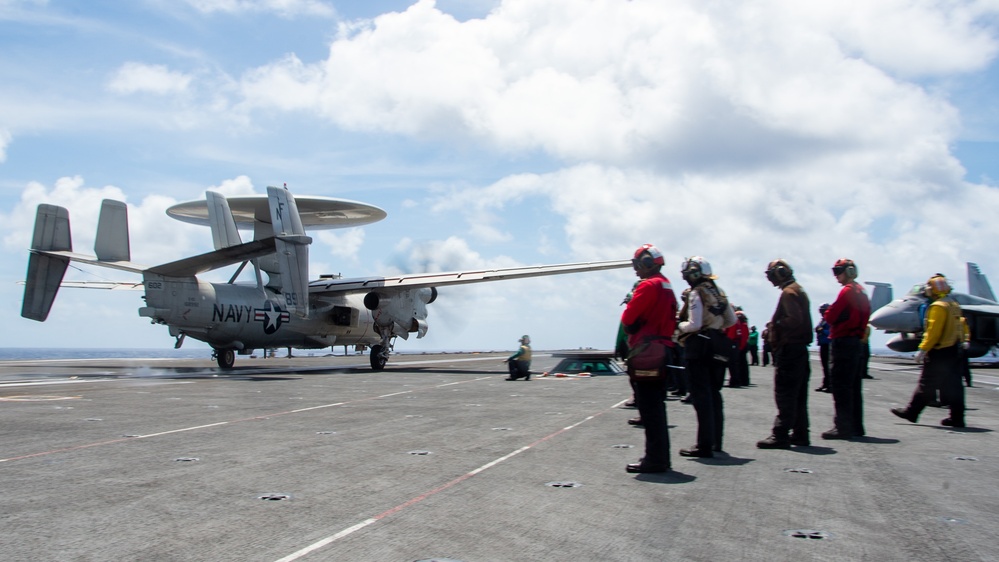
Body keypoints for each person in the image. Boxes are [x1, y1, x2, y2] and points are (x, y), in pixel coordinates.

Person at [621, 244, 679, 474]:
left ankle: (655, 459)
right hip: (663, 348)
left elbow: (628, 318)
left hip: (647, 351)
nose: (635, 270)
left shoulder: (648, 285)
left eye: (637, 265)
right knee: (656, 407)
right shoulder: (666, 285)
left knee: (649, 409)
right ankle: (660, 457)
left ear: (646, 263)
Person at [677, 256, 737, 458]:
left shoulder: (697, 292)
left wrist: (680, 326)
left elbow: (693, 324)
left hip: (699, 347)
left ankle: (703, 445)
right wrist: (715, 326)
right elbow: (731, 319)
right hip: (718, 346)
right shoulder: (719, 292)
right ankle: (716, 442)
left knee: (701, 397)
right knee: (714, 395)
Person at [891, 275, 967, 428]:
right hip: (954, 350)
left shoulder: (938, 306)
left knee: (927, 384)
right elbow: (961, 326)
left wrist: (923, 349)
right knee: (955, 386)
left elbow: (933, 332)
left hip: (939, 351)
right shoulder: (953, 304)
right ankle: (957, 418)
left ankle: (912, 412)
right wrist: (963, 341)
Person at [757, 259, 814, 448]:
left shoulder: (789, 293)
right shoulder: (798, 290)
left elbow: (793, 319)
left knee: (785, 394)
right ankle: (800, 433)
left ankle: (780, 434)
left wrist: (775, 327)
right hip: (799, 351)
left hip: (790, 350)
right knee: (798, 395)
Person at [821, 258, 871, 440]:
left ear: (848, 271)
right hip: (856, 342)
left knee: (841, 386)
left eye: (838, 271)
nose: (836, 276)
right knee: (854, 387)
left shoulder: (846, 292)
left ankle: (842, 427)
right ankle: (856, 426)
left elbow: (831, 316)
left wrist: (828, 313)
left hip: (843, 342)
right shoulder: (861, 291)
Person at [814, 304, 832, 392]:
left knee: (828, 366)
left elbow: (831, 332)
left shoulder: (830, 320)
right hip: (823, 344)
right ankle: (825, 384)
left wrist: (822, 330)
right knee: (825, 366)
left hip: (828, 344)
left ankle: (830, 385)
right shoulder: (823, 320)